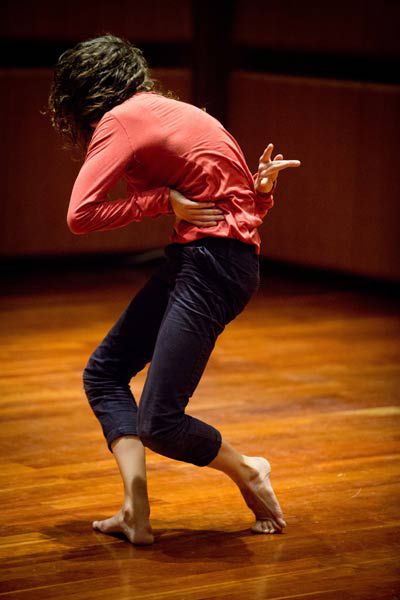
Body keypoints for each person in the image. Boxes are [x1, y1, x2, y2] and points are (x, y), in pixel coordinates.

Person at [48, 34, 301, 545]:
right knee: (104, 373)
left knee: (159, 422)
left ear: (84, 95)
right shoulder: (180, 113)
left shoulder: (121, 119)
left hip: (211, 265)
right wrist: (260, 190)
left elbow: (80, 216)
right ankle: (135, 511)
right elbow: (244, 214)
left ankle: (249, 469)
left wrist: (162, 201)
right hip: (207, 260)